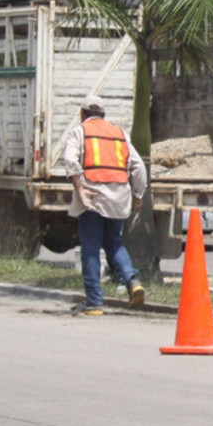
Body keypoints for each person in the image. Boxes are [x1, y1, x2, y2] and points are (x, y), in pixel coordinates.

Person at [61, 94, 148, 315]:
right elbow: (138, 167)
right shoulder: (120, 134)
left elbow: (70, 159)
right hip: (118, 198)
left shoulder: (80, 132)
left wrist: (80, 188)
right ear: (104, 114)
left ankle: (94, 302)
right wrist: (138, 195)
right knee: (115, 244)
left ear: (82, 115)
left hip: (92, 198)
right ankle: (132, 281)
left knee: (90, 248)